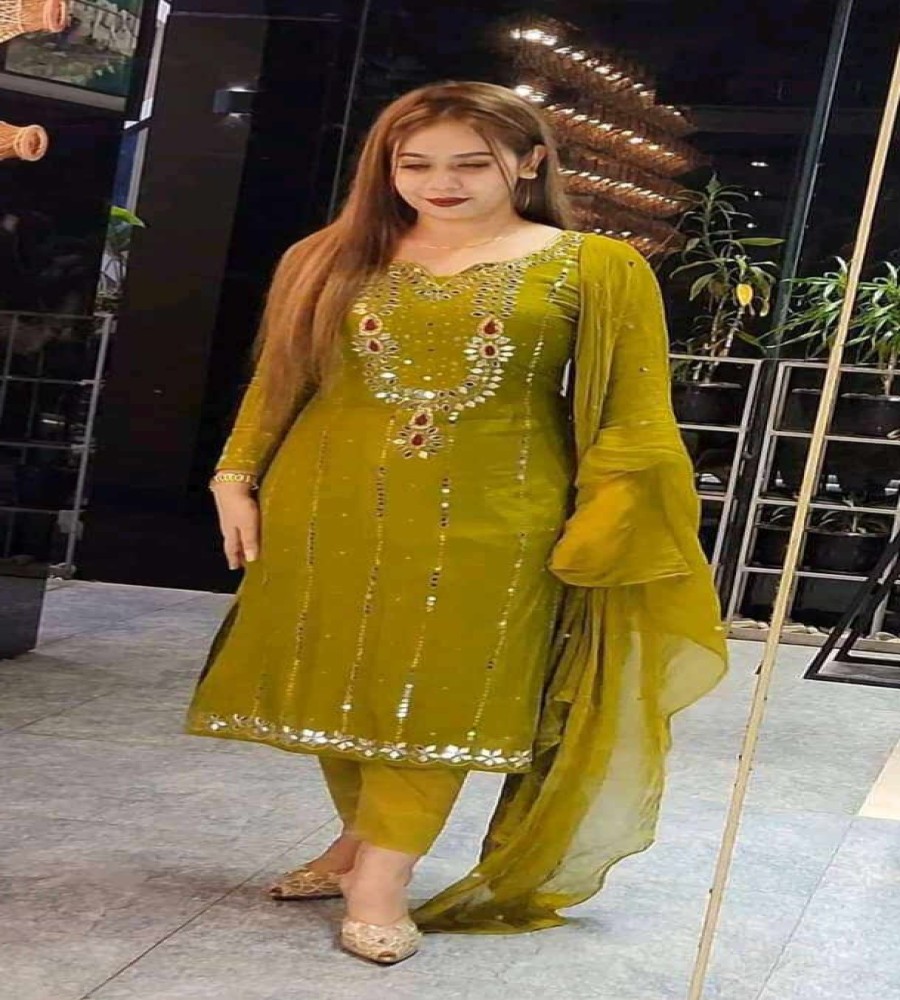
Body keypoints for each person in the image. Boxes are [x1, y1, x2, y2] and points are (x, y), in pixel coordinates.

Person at [184, 81, 728, 965]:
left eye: (471, 164)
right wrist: (234, 479)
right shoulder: (329, 257)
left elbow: (636, 413)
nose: (441, 183)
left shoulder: (595, 266)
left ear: (530, 161)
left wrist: (611, 519)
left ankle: (381, 879)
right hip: (325, 507)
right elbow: (280, 380)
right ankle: (358, 844)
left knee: (441, 692)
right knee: (344, 685)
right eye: (416, 164)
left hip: (498, 519)